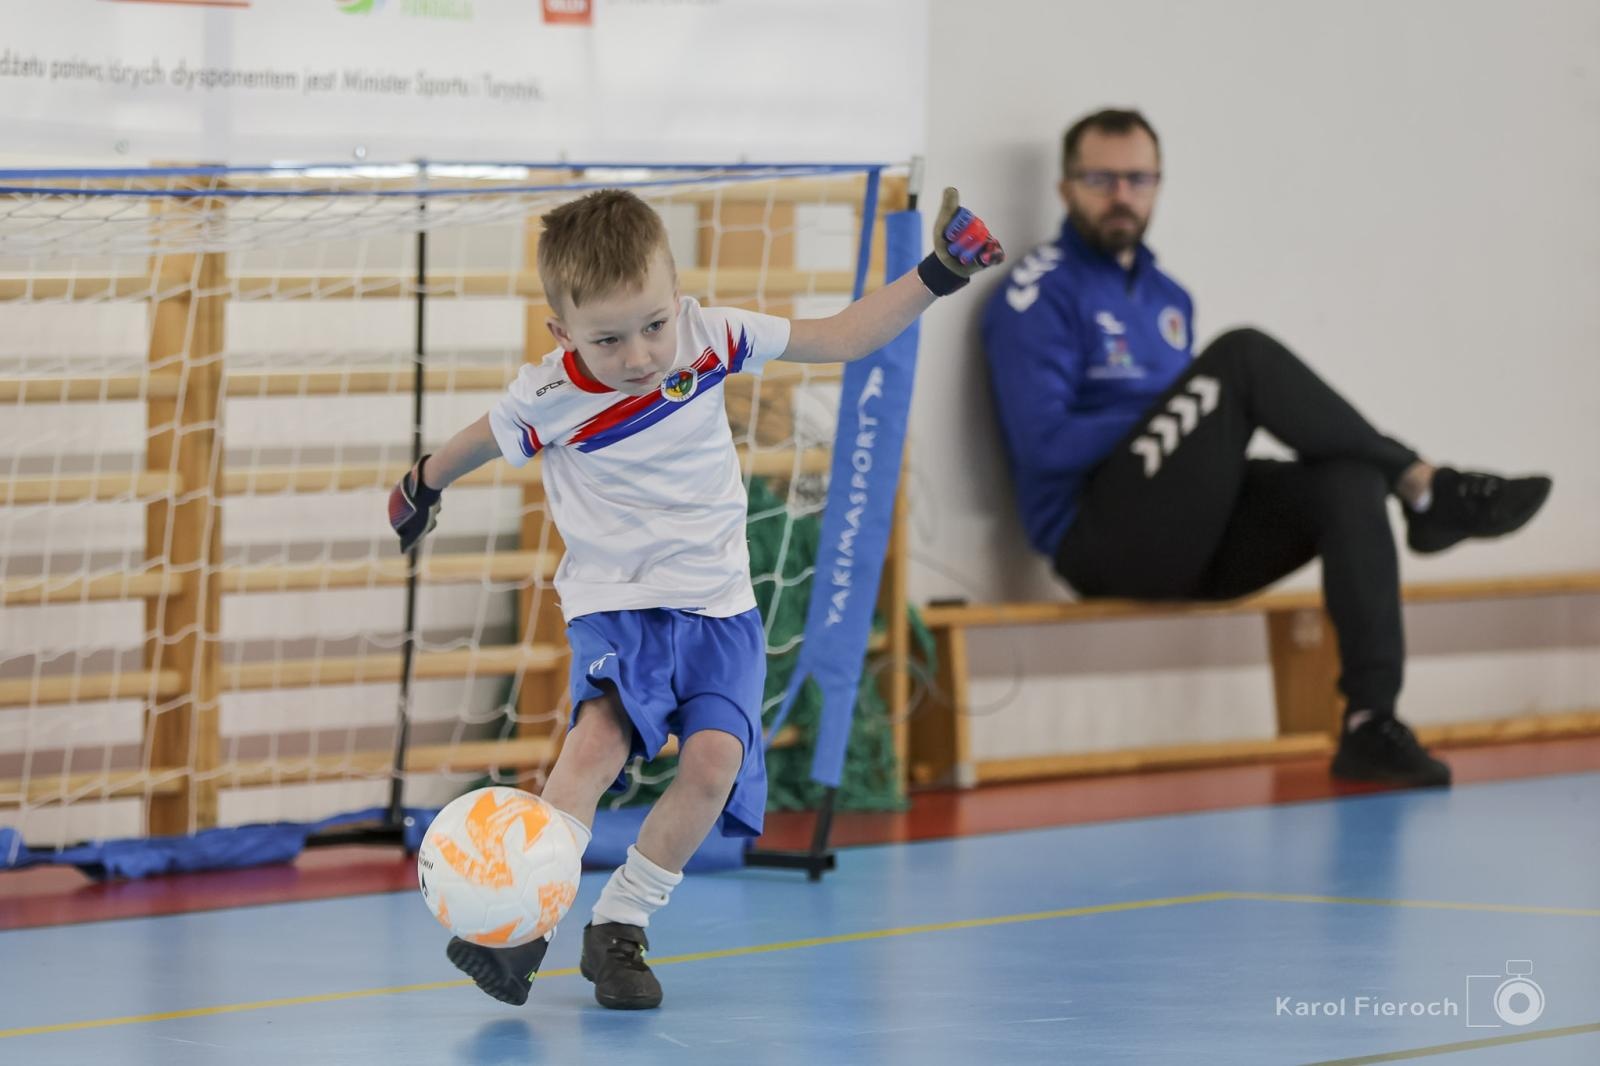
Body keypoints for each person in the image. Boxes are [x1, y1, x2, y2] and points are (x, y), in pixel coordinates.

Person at [389, 187, 1003, 1010]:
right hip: (617, 604)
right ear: (562, 335)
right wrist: (419, 487)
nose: (640, 354)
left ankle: (619, 930)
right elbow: (472, 445)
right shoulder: (548, 396)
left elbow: (843, 335)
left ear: (677, 301)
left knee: (716, 764)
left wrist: (940, 272)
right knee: (594, 749)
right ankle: (521, 931)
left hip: (720, 604)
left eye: (653, 324)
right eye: (608, 338)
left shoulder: (712, 336)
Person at [981, 108, 1551, 789]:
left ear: (1159, 185)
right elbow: (1044, 444)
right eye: (1101, 178)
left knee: (1346, 480)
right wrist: (1160, 413)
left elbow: (1183, 443)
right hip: (1099, 540)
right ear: (1065, 188)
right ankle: (1427, 485)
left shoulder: (1167, 296)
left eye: (1138, 178)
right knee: (1242, 358)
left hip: (1190, 541)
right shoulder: (1035, 291)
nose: (1122, 195)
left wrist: (1180, 415)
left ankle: (1372, 722)